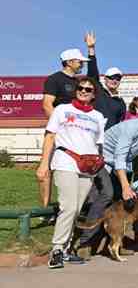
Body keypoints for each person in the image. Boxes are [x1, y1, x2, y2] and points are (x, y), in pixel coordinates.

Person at [76, 108, 138, 258]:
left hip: (122, 165)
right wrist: (126, 186)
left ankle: (116, 245)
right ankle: (84, 243)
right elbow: (120, 157)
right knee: (107, 195)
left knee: (122, 206)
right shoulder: (130, 128)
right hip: (102, 161)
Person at [37, 77, 106, 269]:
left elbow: (98, 145)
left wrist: (99, 165)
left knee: (76, 209)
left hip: (88, 166)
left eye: (89, 89)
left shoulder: (98, 117)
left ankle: (66, 250)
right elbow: (50, 136)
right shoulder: (62, 110)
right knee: (69, 207)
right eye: (81, 88)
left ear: (94, 94)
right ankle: (57, 249)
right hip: (66, 162)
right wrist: (44, 164)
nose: (84, 91)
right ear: (76, 90)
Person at [39, 46, 90, 209]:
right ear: (68, 62)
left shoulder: (79, 83)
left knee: (74, 169)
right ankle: (45, 210)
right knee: (45, 170)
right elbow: (47, 104)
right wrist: (59, 126)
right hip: (57, 131)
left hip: (75, 134)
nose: (82, 63)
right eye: (79, 61)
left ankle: (70, 207)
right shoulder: (54, 79)